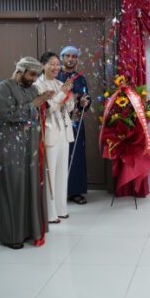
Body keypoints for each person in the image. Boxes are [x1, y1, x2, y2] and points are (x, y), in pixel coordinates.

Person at [0, 57, 53, 249]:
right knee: (14, 190)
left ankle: (30, 231)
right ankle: (12, 236)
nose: (34, 79)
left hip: (31, 146)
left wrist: (44, 100)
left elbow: (37, 112)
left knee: (31, 188)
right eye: (32, 74)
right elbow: (6, 114)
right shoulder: (4, 87)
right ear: (20, 71)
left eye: (37, 75)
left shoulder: (32, 88)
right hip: (10, 148)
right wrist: (34, 104)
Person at [34, 52, 75, 224]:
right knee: (50, 173)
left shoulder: (59, 83)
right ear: (43, 65)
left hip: (63, 132)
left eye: (58, 64)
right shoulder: (37, 85)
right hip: (49, 132)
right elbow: (47, 109)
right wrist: (62, 94)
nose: (56, 67)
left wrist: (69, 95)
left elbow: (69, 108)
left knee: (62, 173)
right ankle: (50, 213)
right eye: (52, 64)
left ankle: (61, 209)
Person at [58, 46, 91, 205]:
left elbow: (86, 96)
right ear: (62, 58)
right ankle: (57, 191)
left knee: (76, 156)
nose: (70, 59)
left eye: (74, 56)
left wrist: (85, 102)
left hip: (75, 122)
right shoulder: (55, 75)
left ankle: (75, 191)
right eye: (67, 56)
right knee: (58, 155)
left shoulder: (80, 78)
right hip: (57, 122)